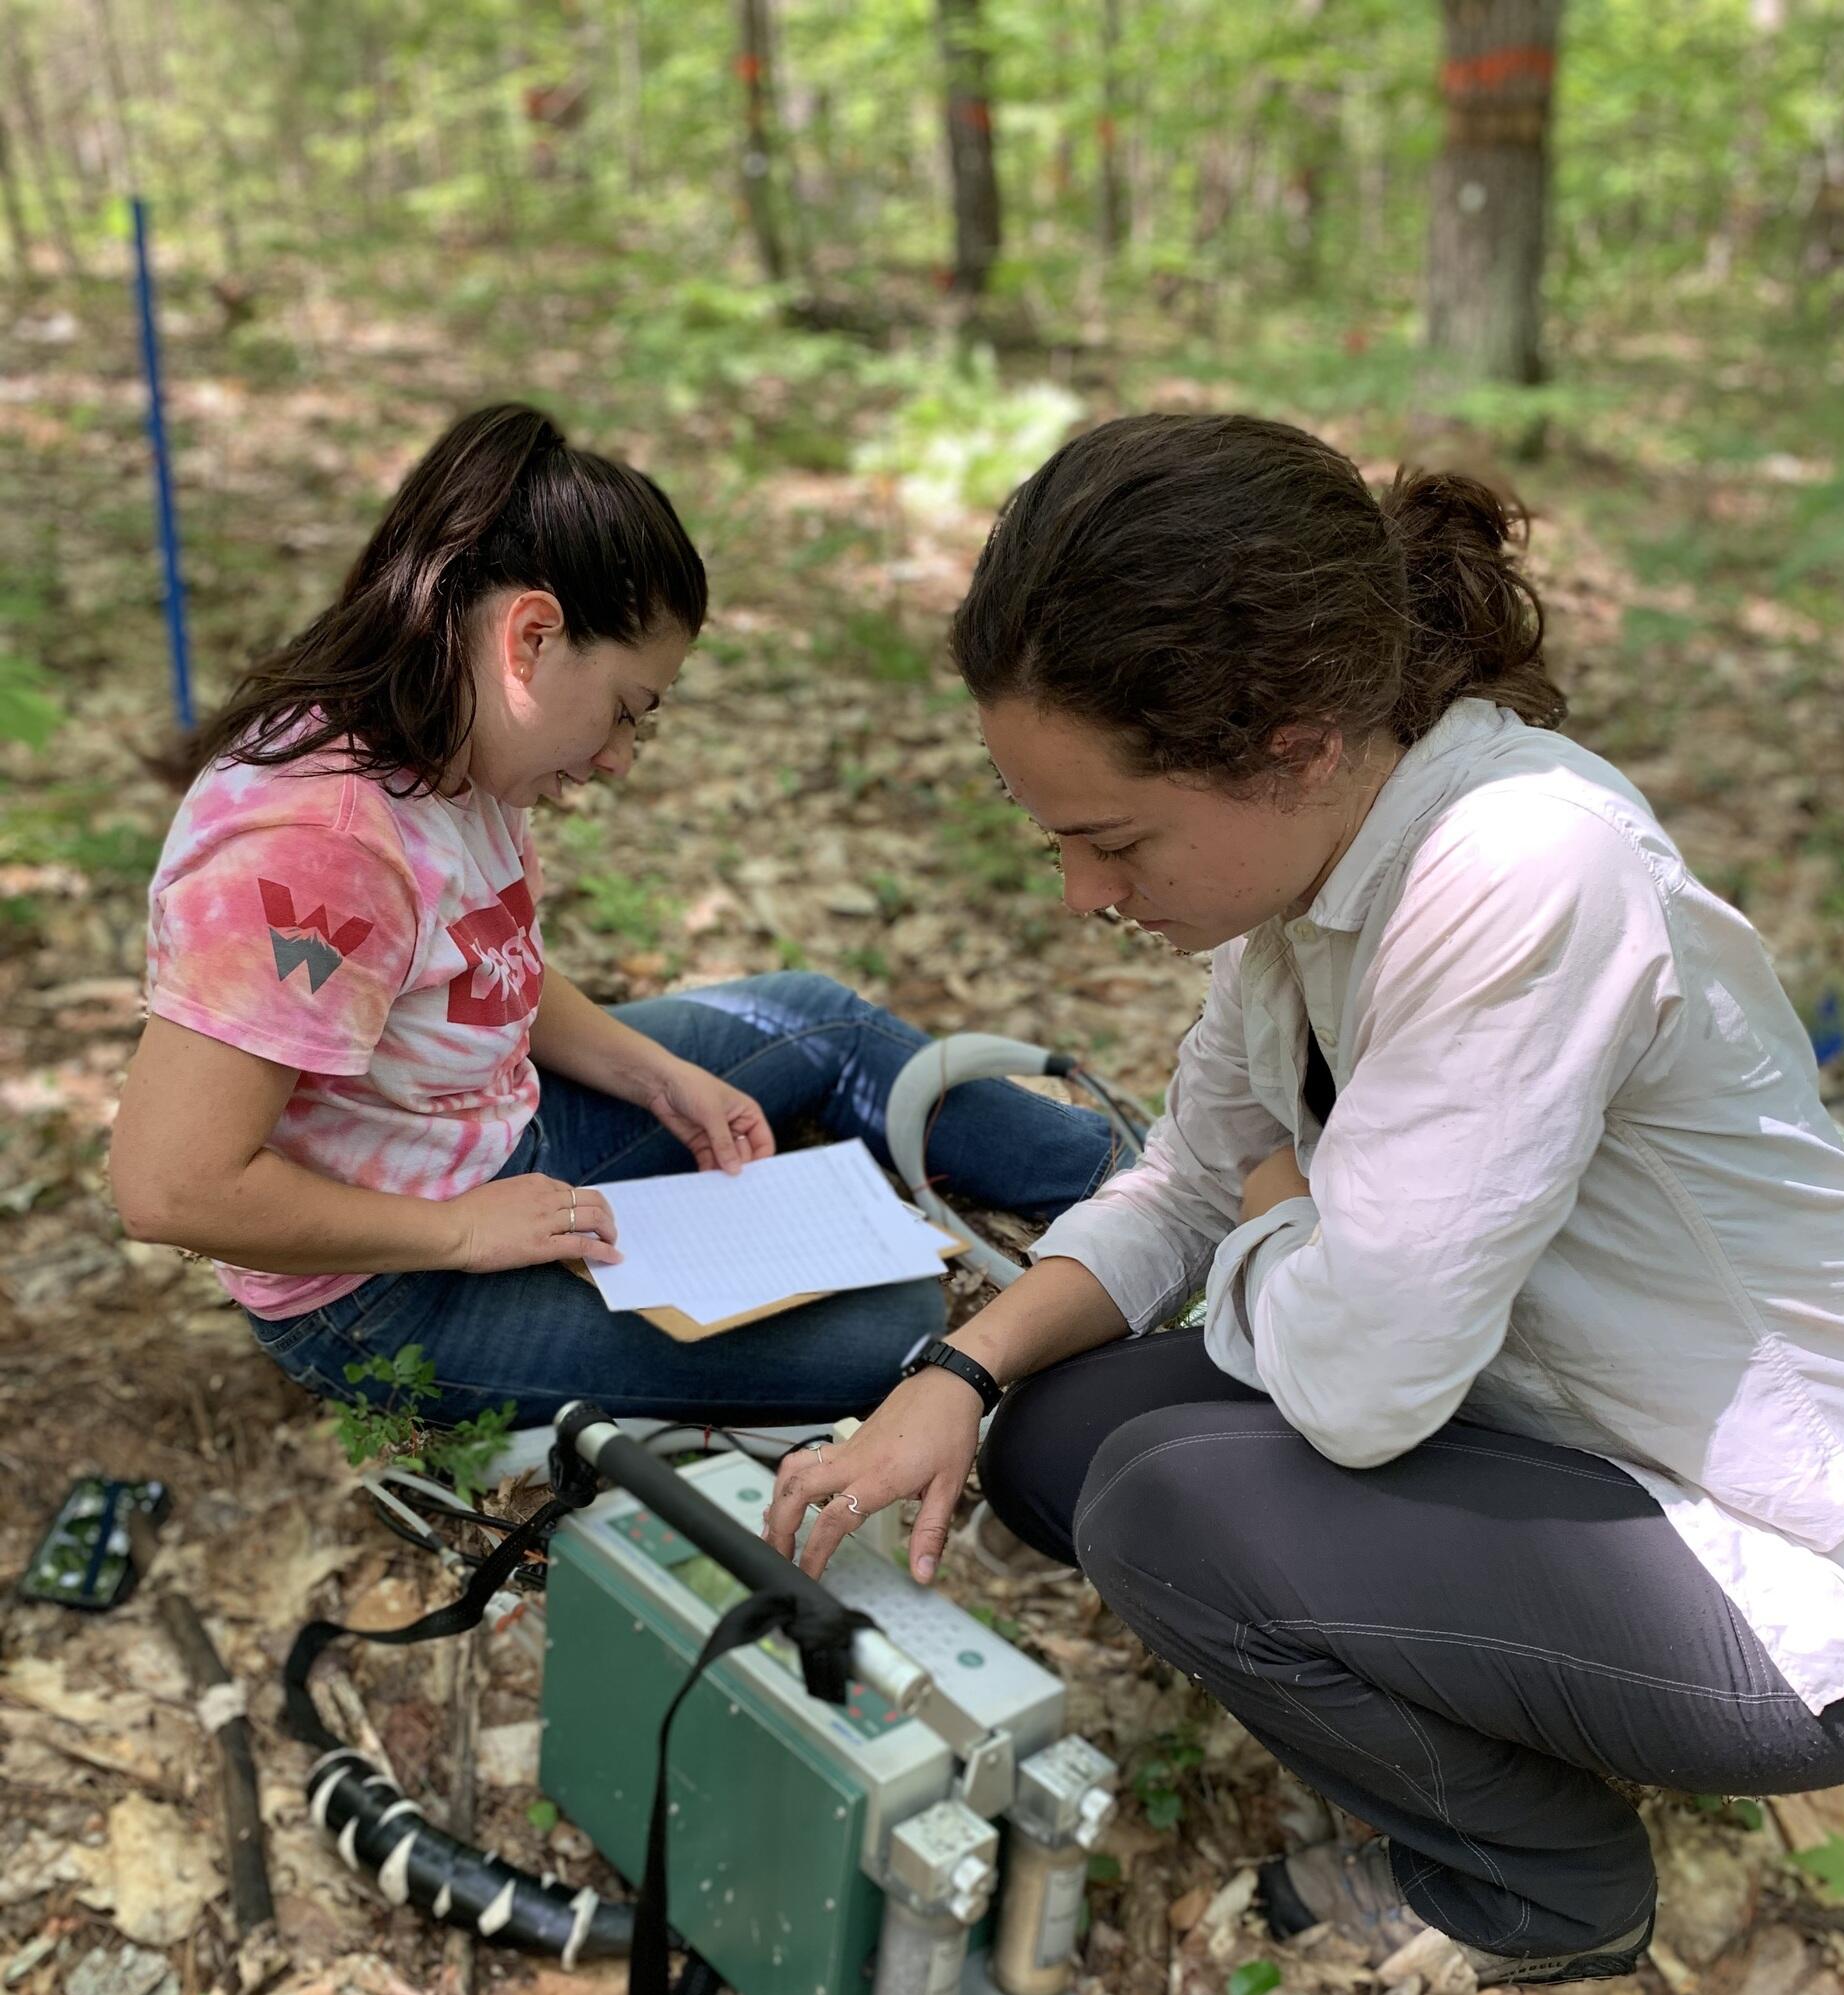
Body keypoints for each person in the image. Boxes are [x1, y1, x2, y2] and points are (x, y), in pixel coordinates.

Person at [763, 411, 1844, 1991]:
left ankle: (1543, 1888)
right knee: (1056, 1438)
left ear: (1289, 739)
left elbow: (1355, 1383)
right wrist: (952, 1375)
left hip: (1793, 1561)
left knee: (1163, 1506)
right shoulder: (1300, 871)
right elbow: (1178, 1180)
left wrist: (1280, 1211)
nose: (1083, 893)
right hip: (1542, 1412)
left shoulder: (1518, 872)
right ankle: (1452, 1687)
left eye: (1110, 840)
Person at [110, 403, 1118, 1427]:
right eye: (627, 711)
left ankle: (1140, 1184)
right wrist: (462, 1232)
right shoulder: (316, 846)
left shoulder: (450, 750)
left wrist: (659, 1077)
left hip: (501, 1135)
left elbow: (477, 968)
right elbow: (171, 1186)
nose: (618, 759)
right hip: (380, 1287)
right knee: (891, 1328)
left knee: (814, 1022)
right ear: (532, 637)